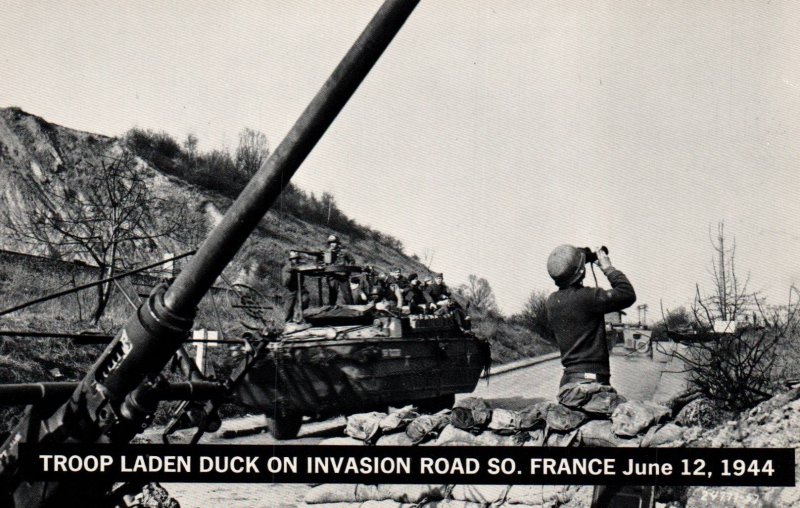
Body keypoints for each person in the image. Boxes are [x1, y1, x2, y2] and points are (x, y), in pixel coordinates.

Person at [545, 245, 636, 388]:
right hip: (592, 384)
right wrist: (608, 268)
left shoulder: (551, 301)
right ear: (581, 272)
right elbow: (627, 293)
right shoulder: (588, 297)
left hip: (568, 383)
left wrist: (580, 259)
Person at [282, 251, 308, 321]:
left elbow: (307, 267)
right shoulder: (286, 268)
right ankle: (287, 321)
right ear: (291, 260)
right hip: (291, 289)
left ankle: (302, 317)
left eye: (297, 258)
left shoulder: (301, 265)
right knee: (289, 307)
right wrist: (290, 272)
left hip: (300, 287)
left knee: (305, 299)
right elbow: (285, 283)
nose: (295, 260)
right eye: (294, 259)